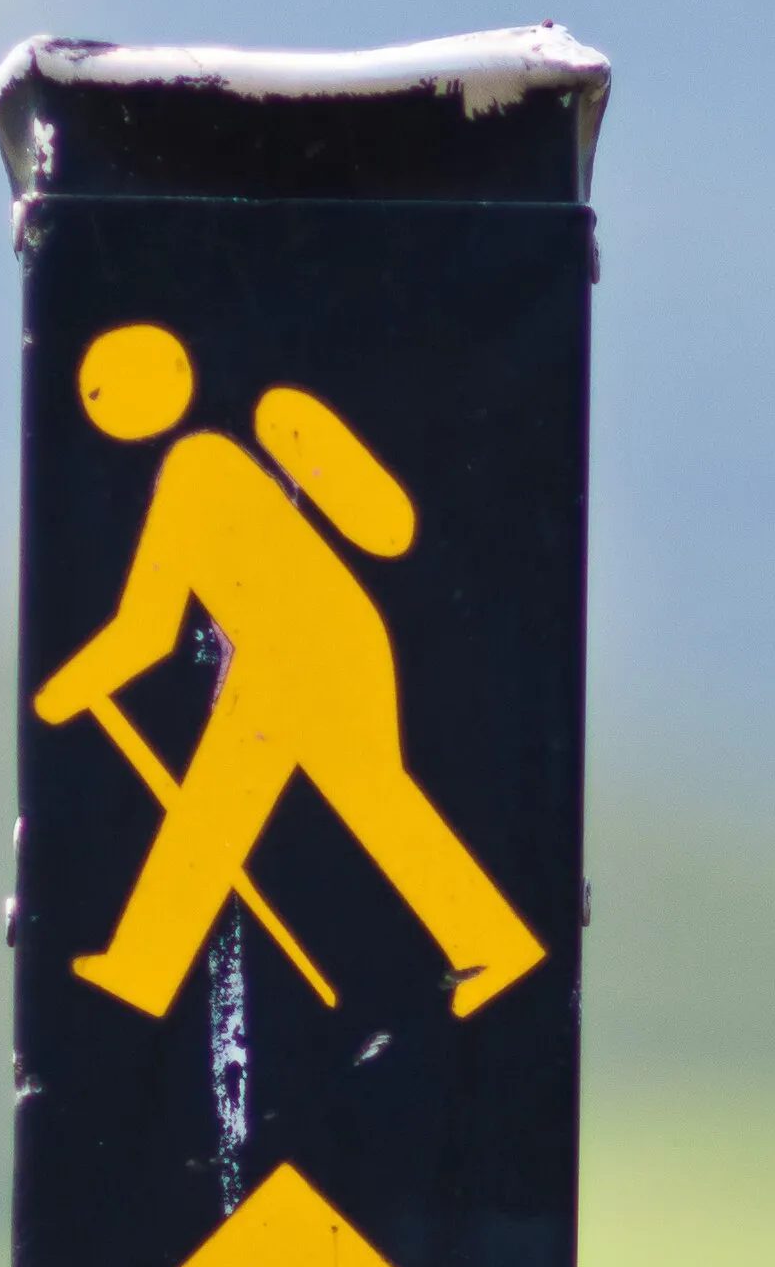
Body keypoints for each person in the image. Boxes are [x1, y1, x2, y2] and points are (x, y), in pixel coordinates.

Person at [34, 323, 544, 1021]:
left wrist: (66, 691)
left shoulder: (195, 468)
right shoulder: (208, 460)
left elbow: (147, 627)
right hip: (319, 644)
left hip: (304, 652)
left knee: (251, 807)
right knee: (293, 805)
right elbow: (153, 623)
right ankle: (494, 940)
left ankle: (143, 971)